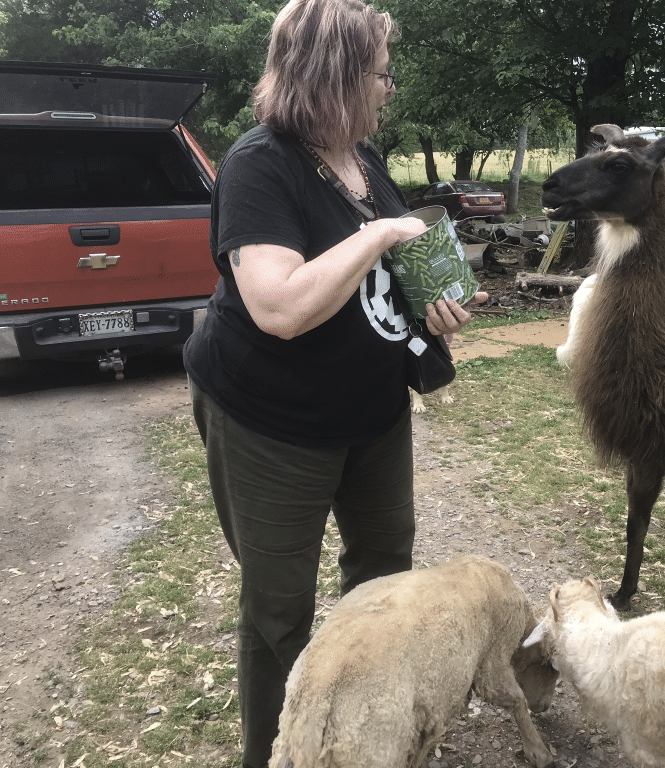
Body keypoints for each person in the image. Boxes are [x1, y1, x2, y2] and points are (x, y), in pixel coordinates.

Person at [182, 0, 487, 765]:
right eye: (381, 74)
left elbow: (380, 282)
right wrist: (381, 231)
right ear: (337, 77)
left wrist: (434, 305)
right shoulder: (261, 164)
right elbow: (279, 306)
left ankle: (362, 733)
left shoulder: (363, 157)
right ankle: (280, 752)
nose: (390, 89)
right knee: (278, 611)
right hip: (271, 421)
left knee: (385, 578)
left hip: (373, 413)